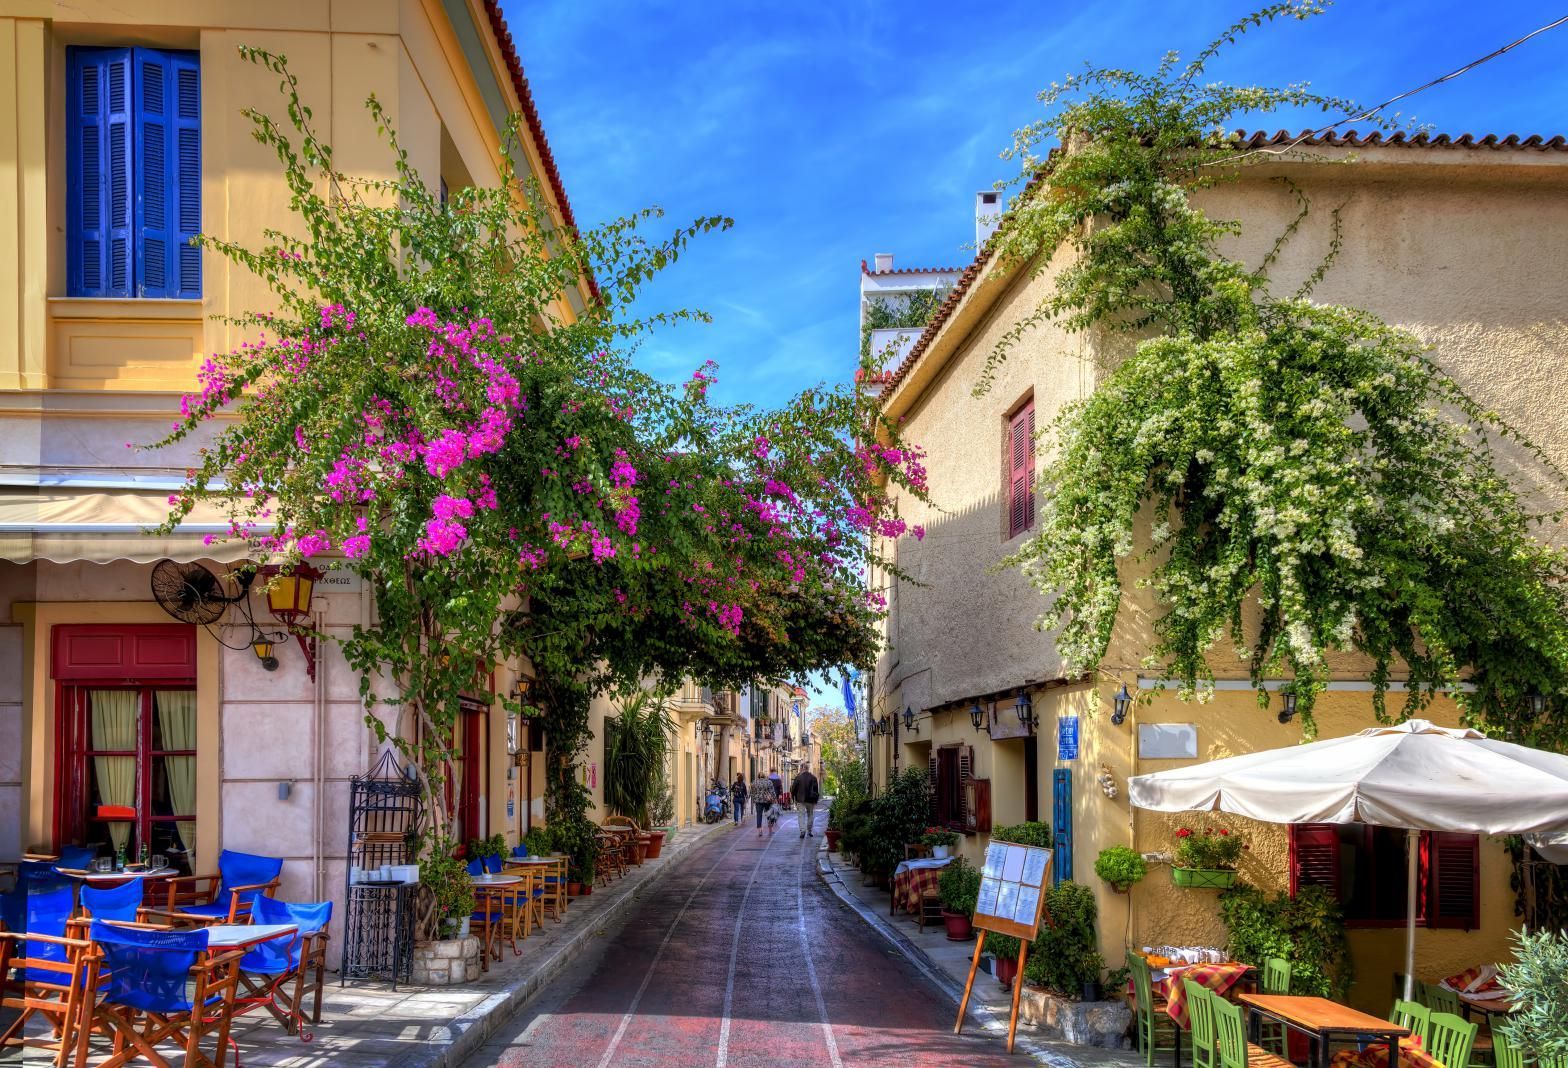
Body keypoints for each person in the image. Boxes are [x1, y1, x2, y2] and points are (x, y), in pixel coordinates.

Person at [791, 766, 821, 839]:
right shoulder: (813, 778)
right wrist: (816, 800)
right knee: (810, 815)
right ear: (808, 769)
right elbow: (816, 790)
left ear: (802, 769)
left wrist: (793, 798)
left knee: (801, 815)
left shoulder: (798, 778)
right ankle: (809, 830)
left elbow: (793, 789)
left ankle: (802, 831)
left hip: (800, 800)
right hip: (811, 799)